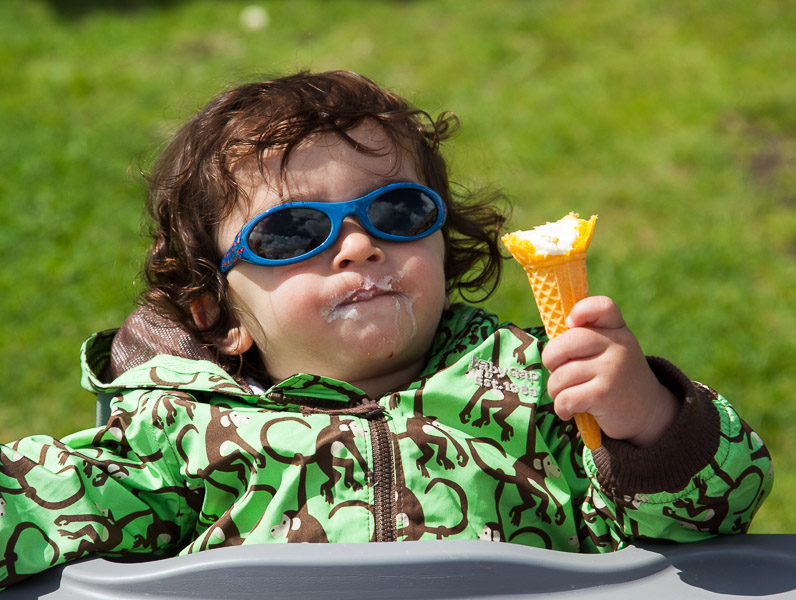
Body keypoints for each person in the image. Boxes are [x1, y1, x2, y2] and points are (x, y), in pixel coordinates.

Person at [0, 70, 773, 588]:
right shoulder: (175, 432)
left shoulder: (539, 390)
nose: (361, 245)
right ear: (218, 316)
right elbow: (41, 502)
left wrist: (648, 420)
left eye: (397, 213)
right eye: (291, 231)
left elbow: (711, 518)